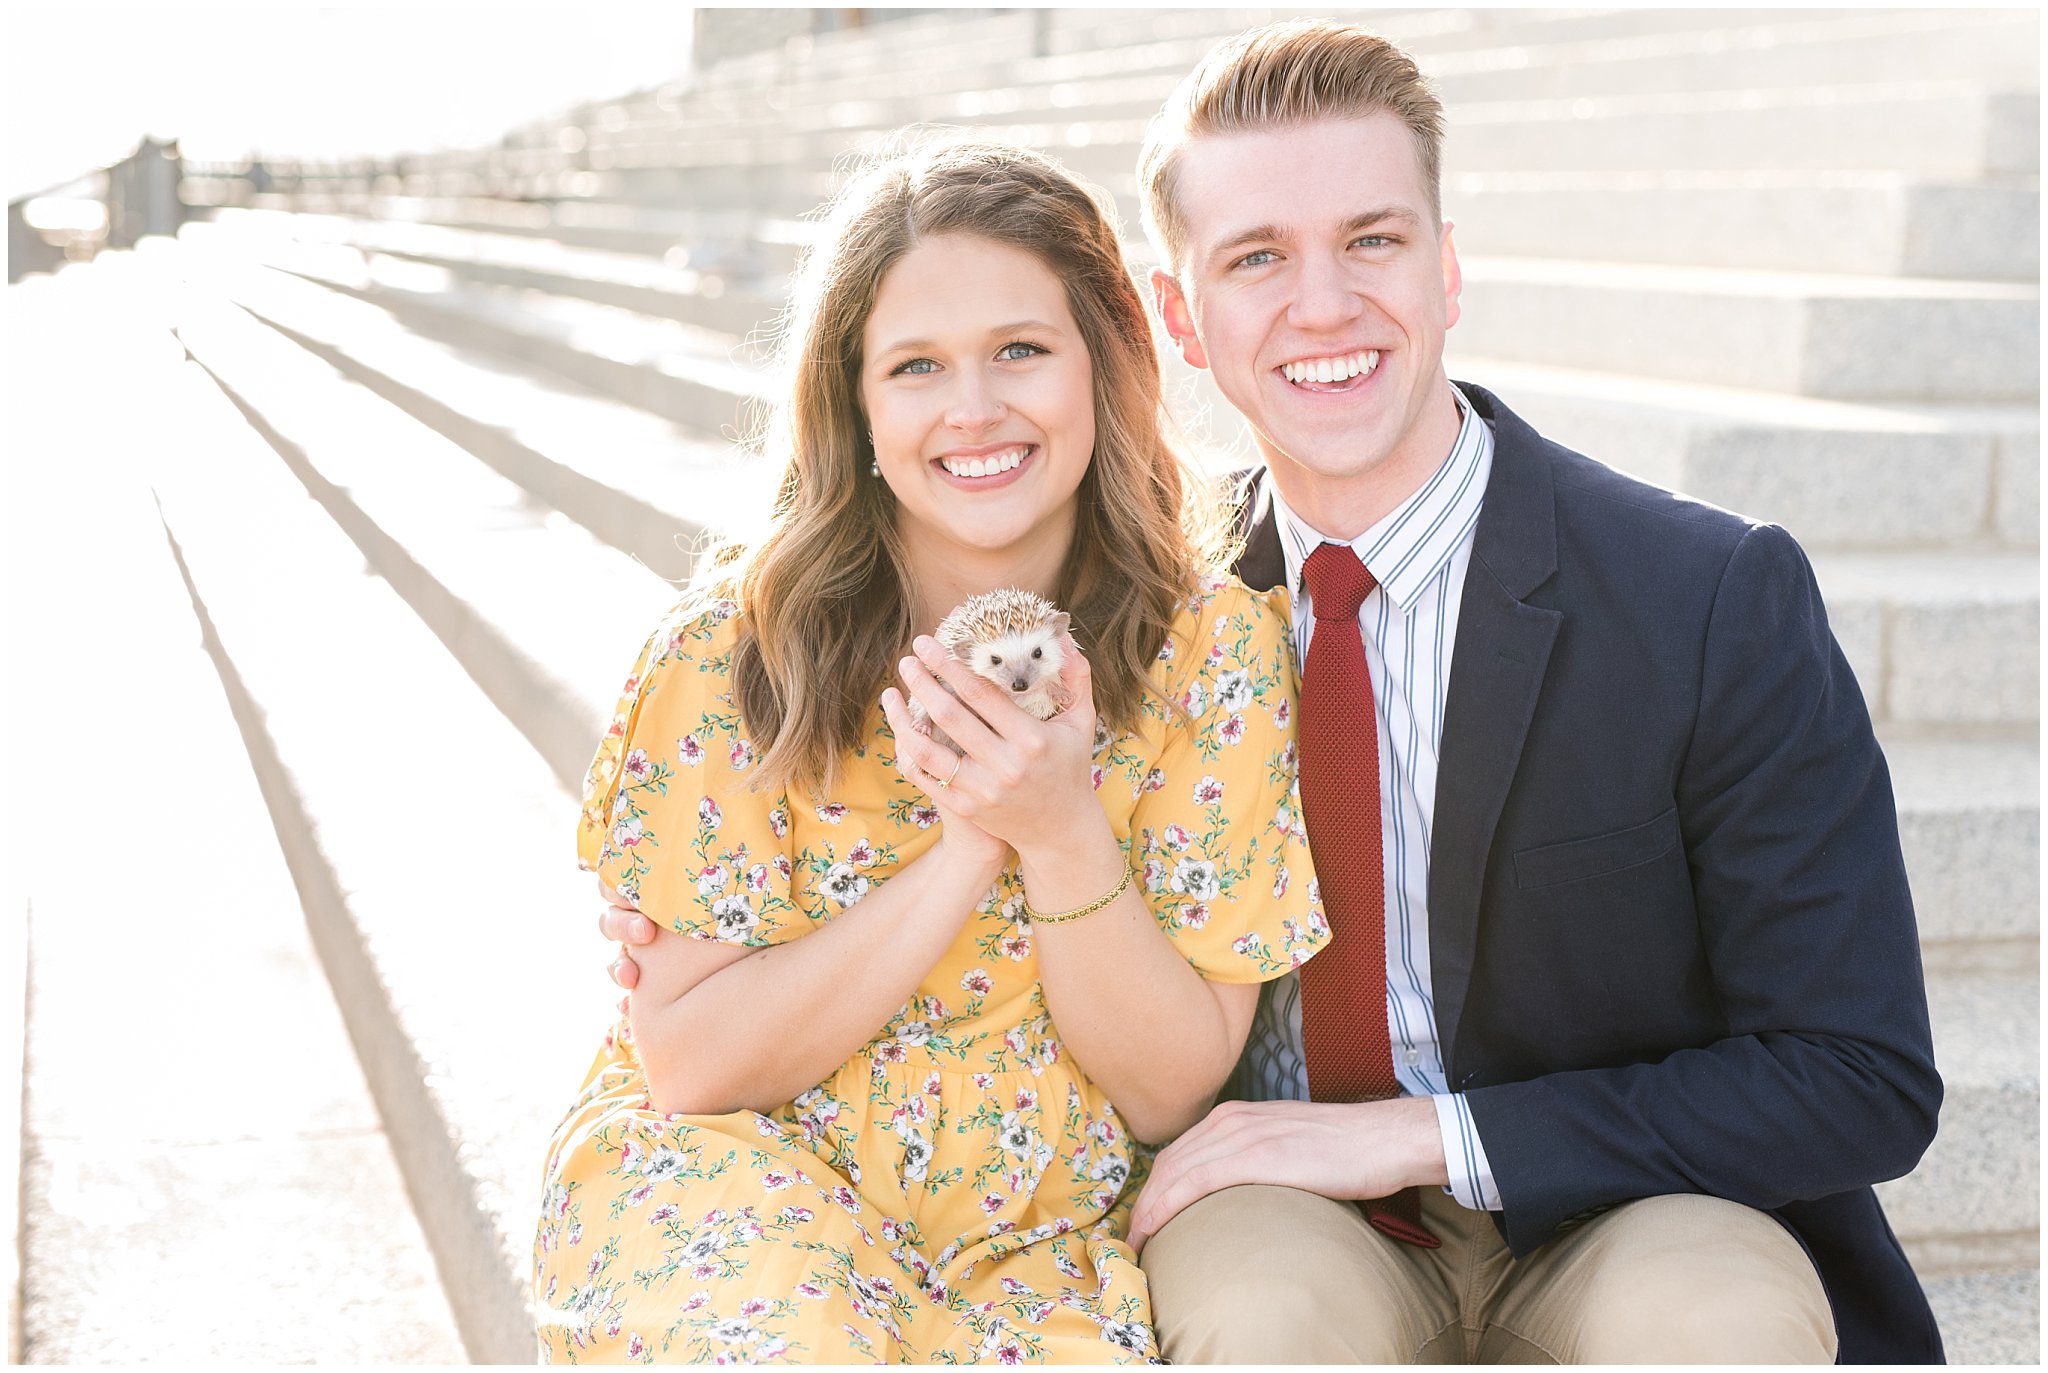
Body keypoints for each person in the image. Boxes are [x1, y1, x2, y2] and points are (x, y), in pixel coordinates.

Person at [604, 18, 1946, 1365]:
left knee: (1720, 1331)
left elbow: (1860, 1073)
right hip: (1284, 1213)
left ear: (1447, 266)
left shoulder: (1701, 598)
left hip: (1631, 1198)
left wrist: (1424, 1133)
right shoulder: (1165, 603)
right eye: (1257, 258)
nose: (1322, 305)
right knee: (1255, 1333)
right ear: (1180, 318)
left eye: (1373, 240)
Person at [537, 138, 1328, 1364]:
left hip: (1038, 1234)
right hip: (743, 1183)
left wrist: (1059, 827)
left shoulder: (1208, 653)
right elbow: (693, 1063)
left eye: (1020, 348)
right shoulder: (734, 655)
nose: (974, 408)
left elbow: (1169, 1089)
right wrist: (969, 840)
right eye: (915, 365)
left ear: (1103, 365)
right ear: (852, 405)